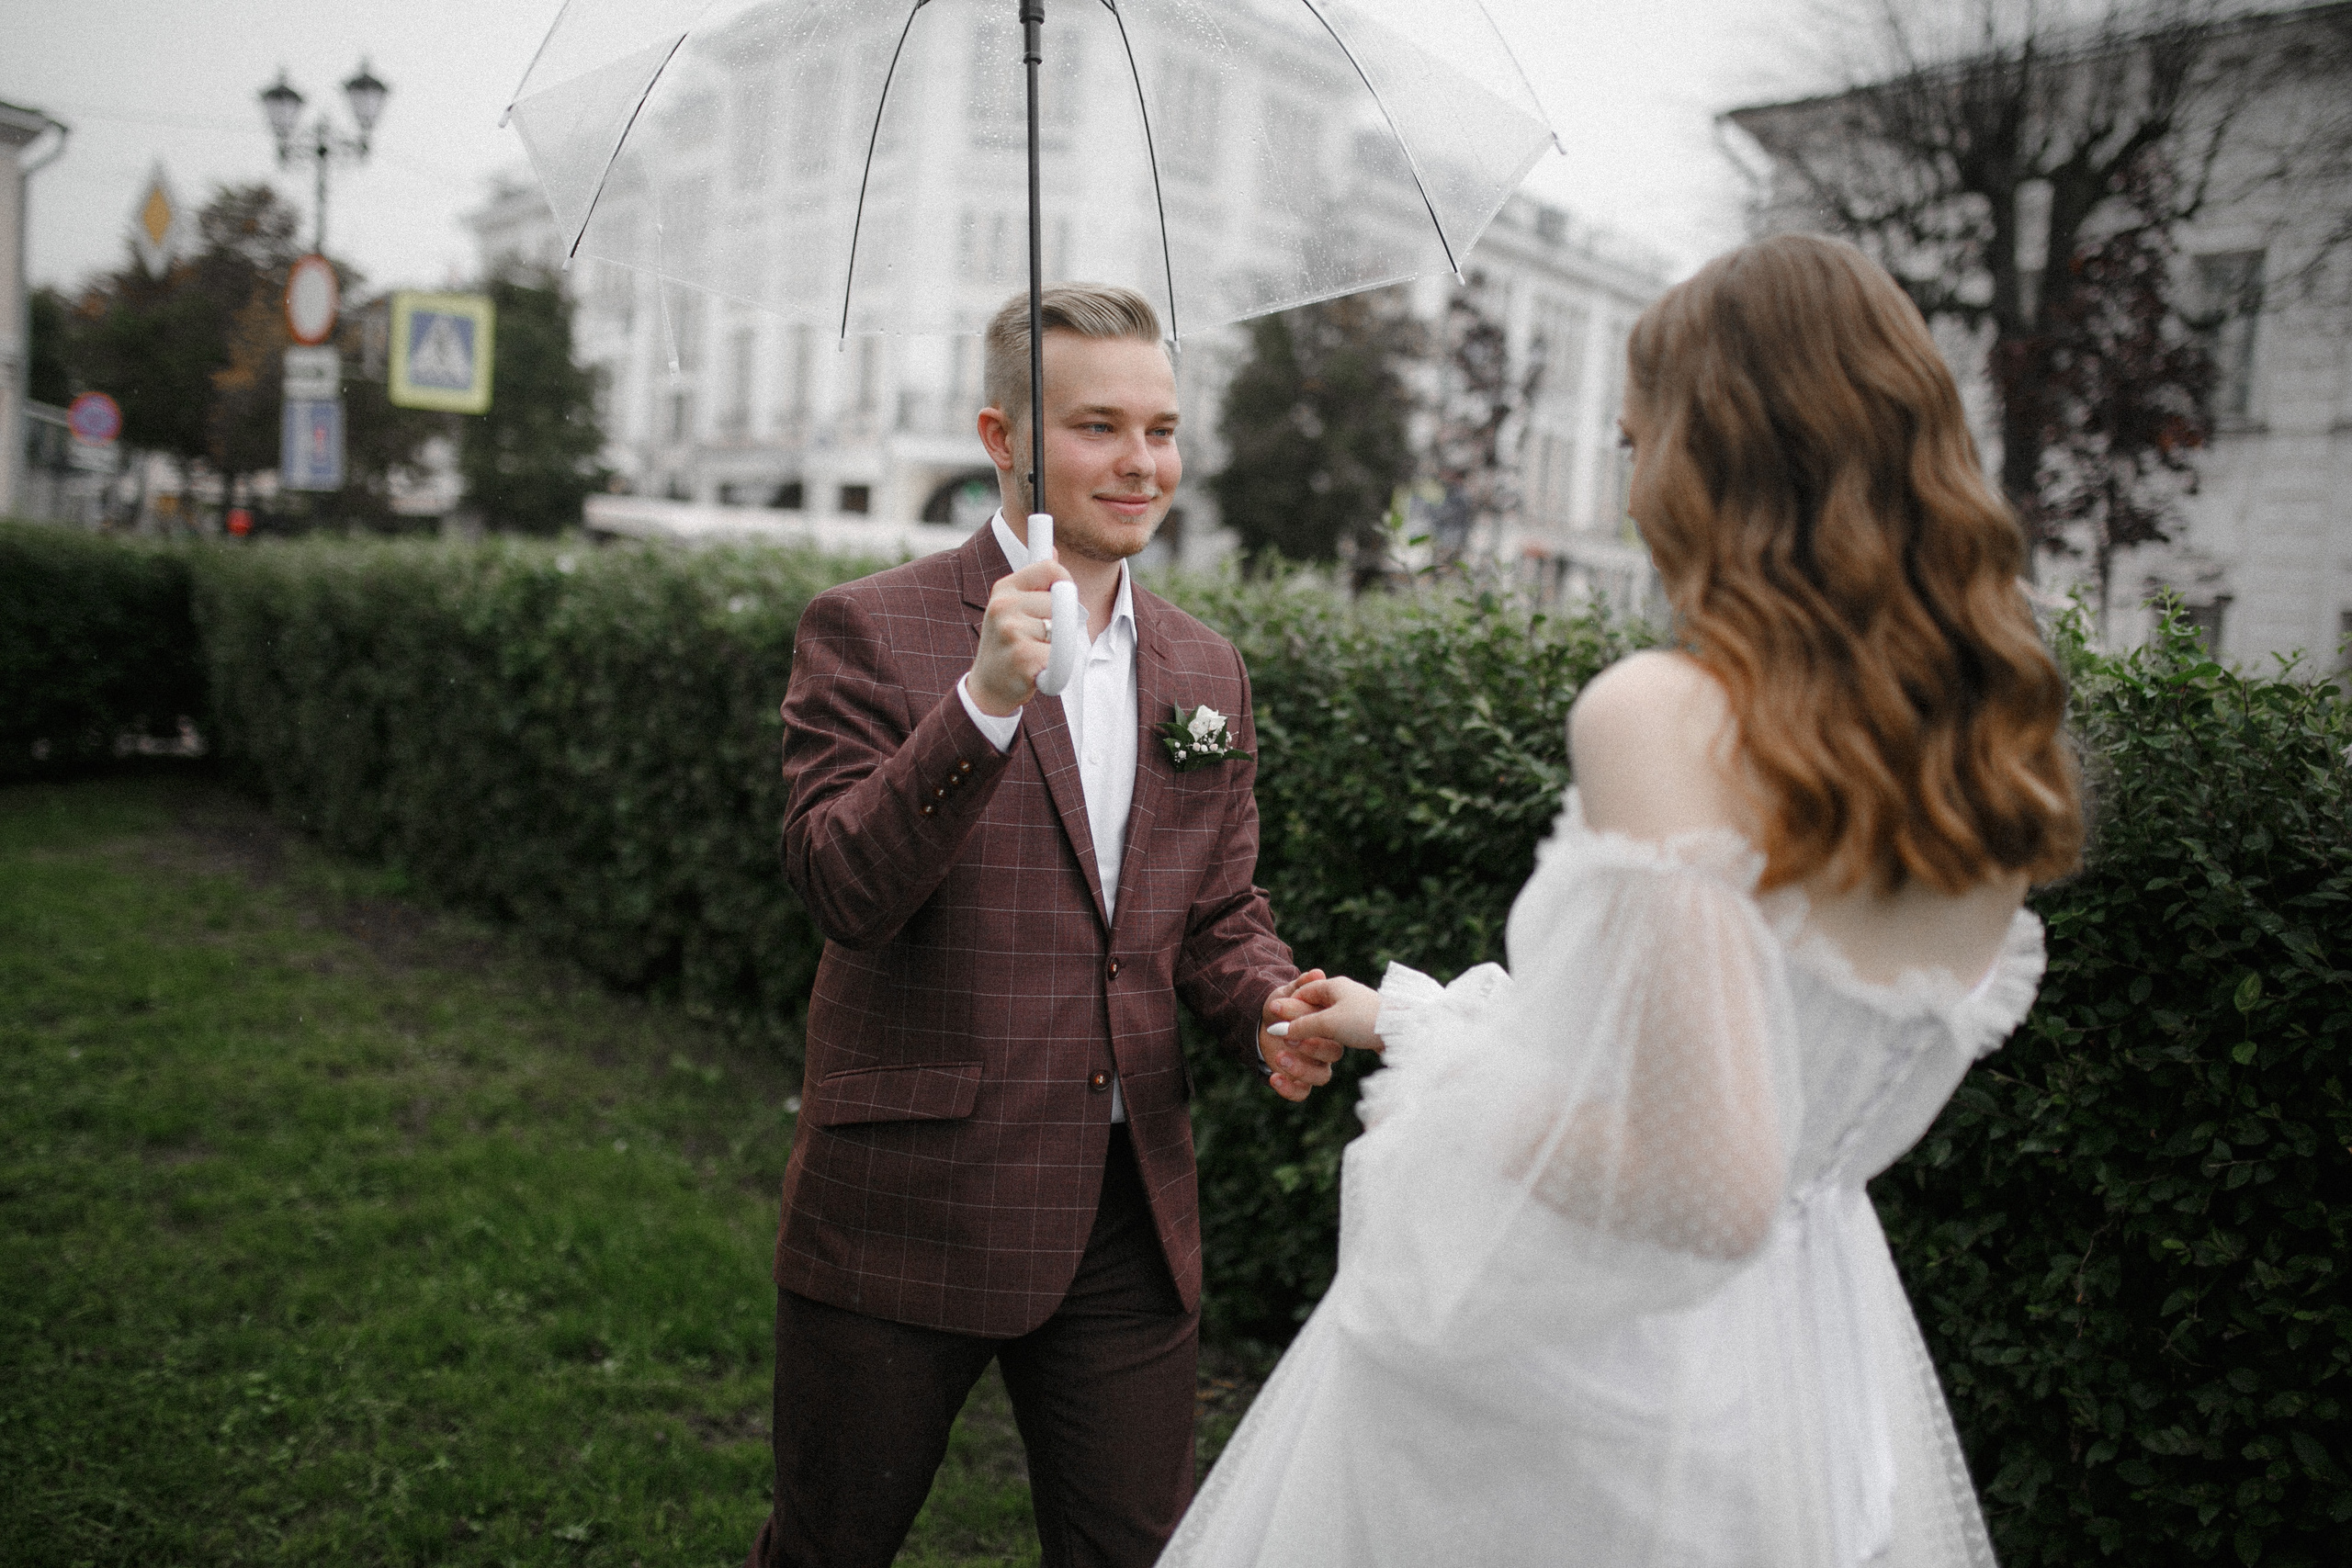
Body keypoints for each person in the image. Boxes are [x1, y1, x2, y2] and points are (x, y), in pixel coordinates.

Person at [1166, 234, 2086, 1567]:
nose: (1636, 477)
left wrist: (1438, 1091)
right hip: (1815, 1385)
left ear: (1717, 457)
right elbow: (1710, 1081)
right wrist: (1401, 1021)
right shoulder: (1990, 772)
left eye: (1636, 437)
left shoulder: (1666, 714)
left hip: (1598, 1405)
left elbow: (1703, 1181)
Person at [746, 283, 1340, 1568]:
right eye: (1098, 426)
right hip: (911, 1198)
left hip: (1129, 1210)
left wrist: (1270, 1003)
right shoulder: (870, 628)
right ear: (1002, 437)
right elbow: (843, 887)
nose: (1142, 464)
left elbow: (1215, 911)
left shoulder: (1205, 669)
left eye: (1163, 429)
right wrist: (983, 704)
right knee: (828, 1549)